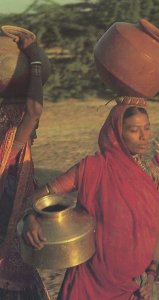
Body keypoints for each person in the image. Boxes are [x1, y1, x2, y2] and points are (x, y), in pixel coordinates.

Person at [23, 96, 159, 300]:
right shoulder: (93, 168)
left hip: (136, 287)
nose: (144, 136)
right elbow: (40, 195)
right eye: (134, 130)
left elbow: (158, 229)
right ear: (117, 133)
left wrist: (151, 276)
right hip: (90, 282)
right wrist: (30, 217)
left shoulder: (153, 175)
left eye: (147, 128)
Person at [0, 31, 50, 299]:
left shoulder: (7, 142)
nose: (37, 127)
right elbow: (33, 110)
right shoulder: (14, 142)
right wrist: (34, 56)